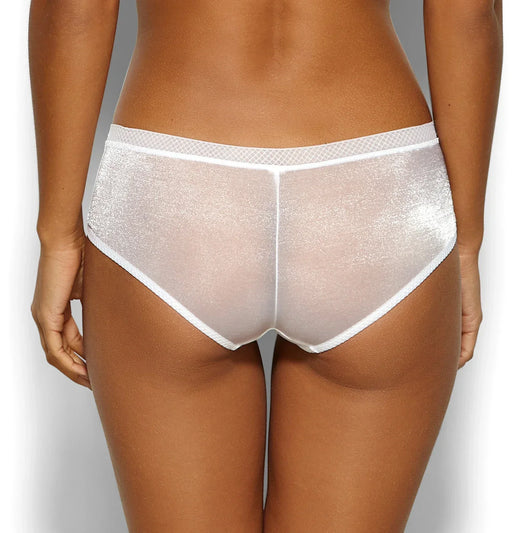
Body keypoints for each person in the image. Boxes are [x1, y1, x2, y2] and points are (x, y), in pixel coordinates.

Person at [28, 0, 503, 531]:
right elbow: (469, 14)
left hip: (177, 187)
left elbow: (73, 10)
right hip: (377, 190)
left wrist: (59, 236)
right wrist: (466, 243)